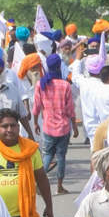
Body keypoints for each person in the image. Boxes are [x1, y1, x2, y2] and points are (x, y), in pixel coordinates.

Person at [31, 53, 77, 193]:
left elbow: (36, 107)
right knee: (61, 156)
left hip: (48, 127)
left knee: (47, 155)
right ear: (59, 67)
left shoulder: (41, 84)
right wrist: (74, 126)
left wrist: (35, 123)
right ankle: (59, 186)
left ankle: (38, 183)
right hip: (63, 127)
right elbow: (70, 109)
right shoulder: (65, 85)